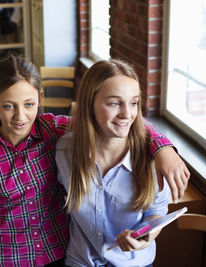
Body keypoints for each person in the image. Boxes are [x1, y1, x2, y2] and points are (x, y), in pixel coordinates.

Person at [0, 55, 189, 266]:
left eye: (29, 104)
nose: (20, 116)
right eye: (9, 106)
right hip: (9, 257)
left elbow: (124, 122)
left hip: (56, 252)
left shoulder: (52, 128)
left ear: (39, 99)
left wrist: (163, 147)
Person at [56, 59, 171, 267]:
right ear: (90, 103)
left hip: (134, 263)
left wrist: (145, 237)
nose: (127, 114)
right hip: (80, 261)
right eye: (115, 103)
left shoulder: (151, 157)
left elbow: (157, 210)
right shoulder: (64, 150)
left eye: (134, 102)